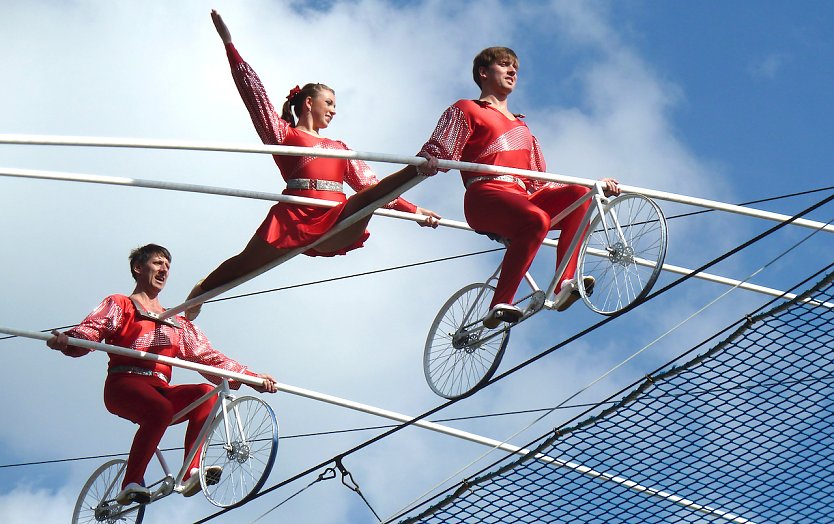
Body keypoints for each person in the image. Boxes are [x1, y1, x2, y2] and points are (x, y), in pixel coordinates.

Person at [184, 11, 440, 319]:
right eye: (329, 103)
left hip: (334, 219)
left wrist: (414, 211)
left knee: (370, 198)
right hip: (293, 216)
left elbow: (370, 187)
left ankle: (419, 169)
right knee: (244, 266)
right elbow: (255, 96)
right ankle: (201, 291)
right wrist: (230, 46)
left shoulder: (340, 149)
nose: (333, 111)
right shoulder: (283, 133)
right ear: (309, 102)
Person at [47, 244, 278, 506]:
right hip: (124, 384)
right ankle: (131, 482)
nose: (164, 270)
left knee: (205, 394)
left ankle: (192, 470)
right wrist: (69, 341)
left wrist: (251, 377)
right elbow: (92, 331)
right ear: (138, 268)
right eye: (158, 263)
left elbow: (208, 357)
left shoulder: (176, 321)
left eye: (167, 266)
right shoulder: (121, 304)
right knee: (160, 409)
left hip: (160, 386)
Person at [415, 46, 620, 328]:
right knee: (536, 219)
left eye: (515, 69)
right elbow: (441, 148)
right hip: (485, 195)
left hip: (521, 196)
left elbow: (538, 181)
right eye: (504, 65)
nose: (512, 72)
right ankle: (499, 303)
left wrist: (596, 187)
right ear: (484, 73)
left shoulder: (523, 128)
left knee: (579, 195)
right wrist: (429, 158)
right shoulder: (468, 109)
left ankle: (565, 283)